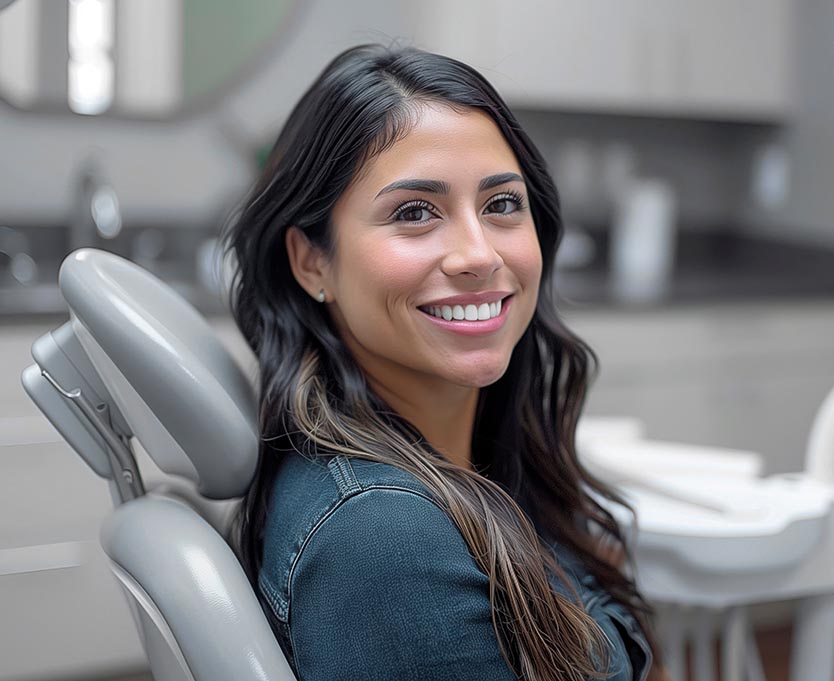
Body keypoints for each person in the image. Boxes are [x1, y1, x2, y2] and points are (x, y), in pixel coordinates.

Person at [226, 43, 663, 681]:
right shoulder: (379, 539)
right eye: (413, 212)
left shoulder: (461, 468)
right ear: (312, 261)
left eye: (502, 204)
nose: (478, 254)